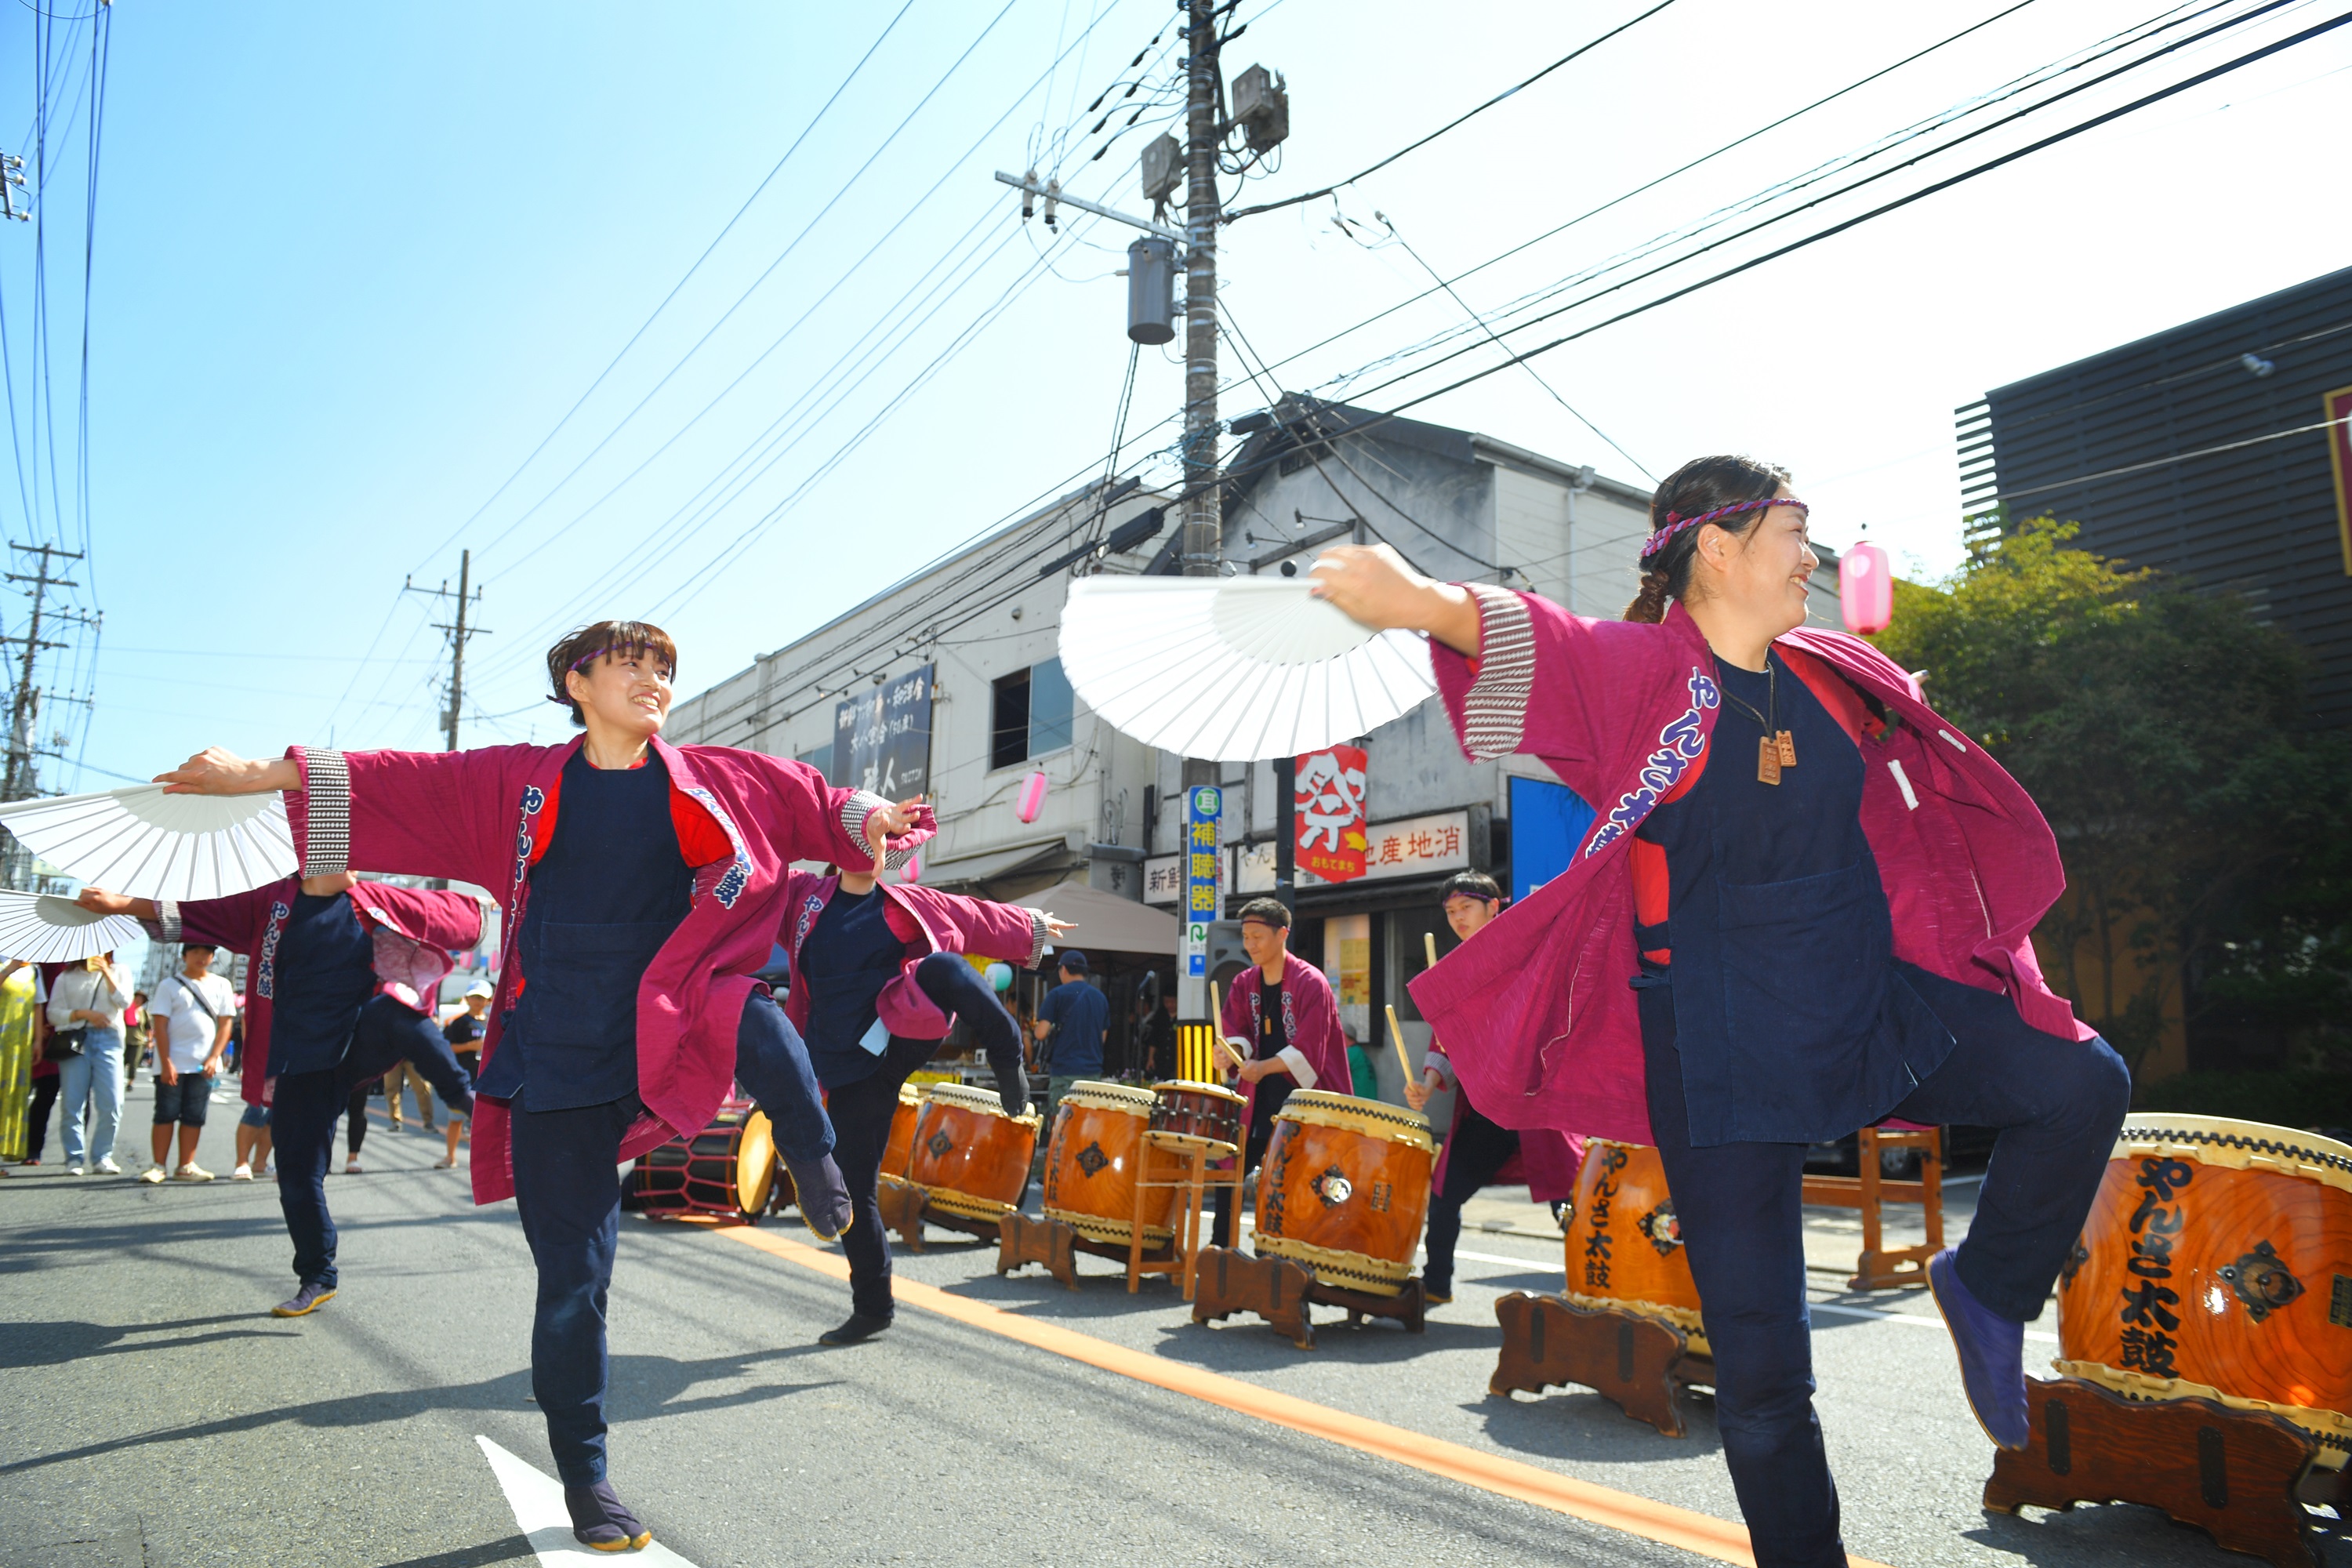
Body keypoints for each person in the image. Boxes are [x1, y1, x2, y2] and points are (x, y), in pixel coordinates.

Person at [1316, 458, 2131, 1568]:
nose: (1814, 554)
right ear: (1718, 545)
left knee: (2082, 1081)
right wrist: (1413, 602)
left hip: (1864, 1004)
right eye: (1795, 530)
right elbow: (1541, 640)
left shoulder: (1831, 676)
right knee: (1762, 1375)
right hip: (1718, 1046)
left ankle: (1985, 1287)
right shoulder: (1650, 674)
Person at [148, 619, 924, 1553]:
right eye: (632, 664)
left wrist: (870, 816)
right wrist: (256, 774)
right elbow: (397, 778)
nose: (654, 681)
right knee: (572, 1282)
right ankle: (586, 1474)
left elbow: (818, 800)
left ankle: (814, 1154)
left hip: (666, 1015)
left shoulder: (714, 775)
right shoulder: (516, 782)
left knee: (745, 1005)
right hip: (557, 1056)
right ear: (577, 680)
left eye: (665, 669)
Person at [79, 870, 486, 1292]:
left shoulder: (370, 900)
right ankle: (317, 1275)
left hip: (356, 1039)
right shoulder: (270, 904)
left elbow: (453, 915)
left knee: (396, 1012)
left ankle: (466, 1100)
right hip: (299, 1059)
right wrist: (122, 903)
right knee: (297, 1176)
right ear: (314, 855)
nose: (355, 864)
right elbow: (200, 912)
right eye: (344, 851)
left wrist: (504, 900)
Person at [776, 861, 1062, 1345]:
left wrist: (1028, 924)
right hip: (847, 1066)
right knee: (851, 1188)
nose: (871, 848)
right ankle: (873, 1307)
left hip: (897, 1027)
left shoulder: (900, 901)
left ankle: (1006, 1050)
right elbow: (756, 871)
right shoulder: (804, 897)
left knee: (944, 968)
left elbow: (969, 916)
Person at [1403, 872, 1584, 1305]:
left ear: (1493, 906)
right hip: (1485, 1107)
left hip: (1536, 1101)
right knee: (1444, 1194)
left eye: (1466, 907)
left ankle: (1592, 1286)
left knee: (1569, 1200)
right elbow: (1444, 1041)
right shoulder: (1454, 971)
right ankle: (1436, 1284)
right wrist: (1427, 1085)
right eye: (1450, 912)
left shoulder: (1525, 954)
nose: (1457, 918)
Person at [1210, 899, 1351, 1248]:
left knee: (1291, 1182)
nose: (1251, 945)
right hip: (1257, 1098)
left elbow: (1310, 1051)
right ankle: (1220, 1254)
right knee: (1230, 1172)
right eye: (1246, 937)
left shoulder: (1311, 982)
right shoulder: (1244, 983)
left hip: (1306, 1100)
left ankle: (1283, 1258)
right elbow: (1237, 1031)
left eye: (1257, 936)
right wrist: (1230, 1054)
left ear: (1282, 934)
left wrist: (1262, 1066)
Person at [141, 945, 234, 1183]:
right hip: (172, 1062)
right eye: (195, 952)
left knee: (195, 1115)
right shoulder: (169, 985)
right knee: (165, 1113)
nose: (201, 958)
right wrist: (166, 1061)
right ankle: (158, 1166)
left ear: (213, 957)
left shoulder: (222, 984)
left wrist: (214, 1057)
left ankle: (186, 1166)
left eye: (207, 953)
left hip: (205, 1063)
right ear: (184, 956)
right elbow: (160, 1025)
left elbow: (226, 1024)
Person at [49, 951, 131, 1177]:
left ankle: (103, 1156)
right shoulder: (66, 977)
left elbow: (125, 1002)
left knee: (113, 1101)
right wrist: (83, 1014)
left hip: (110, 1039)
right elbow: (53, 1014)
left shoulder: (119, 971)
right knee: (72, 1103)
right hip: (75, 1040)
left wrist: (106, 972)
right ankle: (74, 1158)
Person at [1031, 952, 1108, 1114]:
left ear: (1064, 969)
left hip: (1064, 1072)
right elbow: (1103, 1037)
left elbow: (1040, 1033)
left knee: (1062, 1125)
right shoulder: (1100, 998)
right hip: (1092, 1073)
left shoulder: (1056, 995)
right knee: (1086, 1126)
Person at [443, 980, 493, 1168]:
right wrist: (468, 1047)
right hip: (463, 1078)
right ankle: (450, 1156)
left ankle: (481, 1161)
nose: (477, 1001)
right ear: (467, 999)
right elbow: (445, 1047)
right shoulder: (458, 1023)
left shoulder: (493, 1022)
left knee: (482, 1123)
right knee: (455, 1119)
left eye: (481, 998)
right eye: (474, 997)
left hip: (485, 1080)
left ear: (489, 1000)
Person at [1136, 989, 1177, 1083]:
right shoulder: (1160, 1015)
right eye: (1166, 1002)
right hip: (1161, 1059)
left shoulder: (1182, 1017)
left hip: (1176, 1059)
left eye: (1172, 1002)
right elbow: (1153, 1039)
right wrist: (1151, 1058)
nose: (1169, 1005)